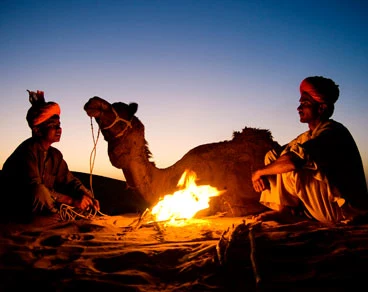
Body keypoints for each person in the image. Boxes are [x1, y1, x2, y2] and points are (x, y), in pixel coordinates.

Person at [251, 76, 368, 224]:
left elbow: (293, 161)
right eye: (300, 103)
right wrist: (262, 169)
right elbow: (277, 154)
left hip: (342, 212)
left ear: (322, 108)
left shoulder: (333, 132)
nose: (299, 108)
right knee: (273, 156)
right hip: (321, 207)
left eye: (305, 103)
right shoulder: (308, 136)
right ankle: (284, 210)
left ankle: (287, 214)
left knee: (289, 162)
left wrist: (258, 173)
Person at [1, 90, 100, 223]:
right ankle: (54, 218)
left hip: (47, 206)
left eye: (59, 125)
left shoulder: (55, 155)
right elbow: (37, 190)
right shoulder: (27, 152)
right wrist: (72, 201)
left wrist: (87, 195)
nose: (59, 130)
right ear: (37, 130)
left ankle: (57, 217)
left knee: (82, 200)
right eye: (53, 126)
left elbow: (70, 180)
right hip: (17, 206)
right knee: (39, 191)